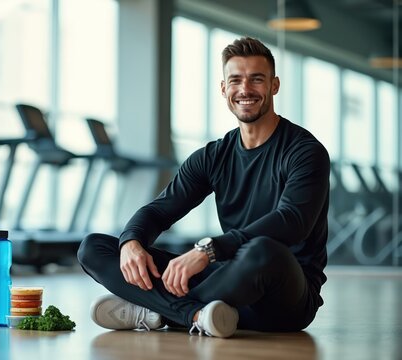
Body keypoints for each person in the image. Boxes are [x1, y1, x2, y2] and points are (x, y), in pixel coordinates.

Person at [77, 36, 330, 338]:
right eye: (235, 80)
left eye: (256, 80)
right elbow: (159, 212)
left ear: (274, 86)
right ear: (224, 89)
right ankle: (195, 314)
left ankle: (160, 311)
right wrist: (131, 241)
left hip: (282, 295)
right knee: (95, 246)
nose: (245, 89)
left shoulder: (305, 151)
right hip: (223, 288)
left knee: (263, 251)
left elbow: (293, 222)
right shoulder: (213, 156)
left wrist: (208, 250)